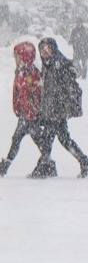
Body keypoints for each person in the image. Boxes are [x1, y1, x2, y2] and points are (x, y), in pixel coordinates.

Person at [36, 37, 88, 178]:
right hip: (52, 109)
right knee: (60, 139)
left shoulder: (58, 63)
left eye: (47, 48)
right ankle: (83, 161)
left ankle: (45, 167)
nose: (44, 51)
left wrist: (59, 106)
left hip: (57, 110)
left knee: (51, 139)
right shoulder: (48, 64)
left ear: (53, 48)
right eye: (42, 49)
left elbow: (71, 76)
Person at [0, 42, 54, 177]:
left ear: (25, 56)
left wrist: (31, 112)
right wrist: (18, 108)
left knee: (36, 141)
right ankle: (48, 164)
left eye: (17, 56)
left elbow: (35, 95)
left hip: (31, 116)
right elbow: (17, 93)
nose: (15, 59)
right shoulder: (20, 72)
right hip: (25, 115)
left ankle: (48, 164)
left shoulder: (32, 74)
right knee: (21, 140)